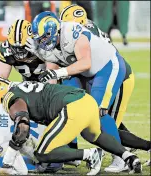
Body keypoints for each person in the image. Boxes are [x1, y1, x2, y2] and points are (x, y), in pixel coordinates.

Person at [58, 4, 151, 172]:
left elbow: (86, 63)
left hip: (119, 78)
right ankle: (127, 152)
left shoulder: (84, 34)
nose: (64, 29)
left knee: (103, 122)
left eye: (67, 24)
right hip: (101, 77)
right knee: (105, 123)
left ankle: (122, 157)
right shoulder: (83, 29)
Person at [0, 77, 142, 175]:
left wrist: (7, 160)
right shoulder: (21, 88)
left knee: (43, 153)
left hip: (72, 106)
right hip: (84, 100)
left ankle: (89, 155)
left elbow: (23, 127)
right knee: (95, 135)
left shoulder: (10, 98)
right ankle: (129, 157)